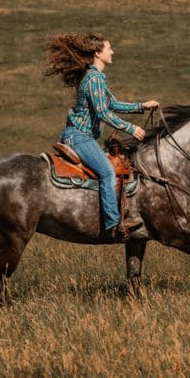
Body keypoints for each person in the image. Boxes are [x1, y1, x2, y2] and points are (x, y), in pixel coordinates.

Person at [44, 32, 159, 239]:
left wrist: (141, 106)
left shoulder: (96, 78)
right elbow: (103, 113)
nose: (112, 51)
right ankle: (113, 225)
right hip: (78, 137)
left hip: (80, 136)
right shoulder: (94, 79)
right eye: (108, 48)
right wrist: (131, 129)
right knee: (107, 172)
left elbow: (112, 104)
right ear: (97, 53)